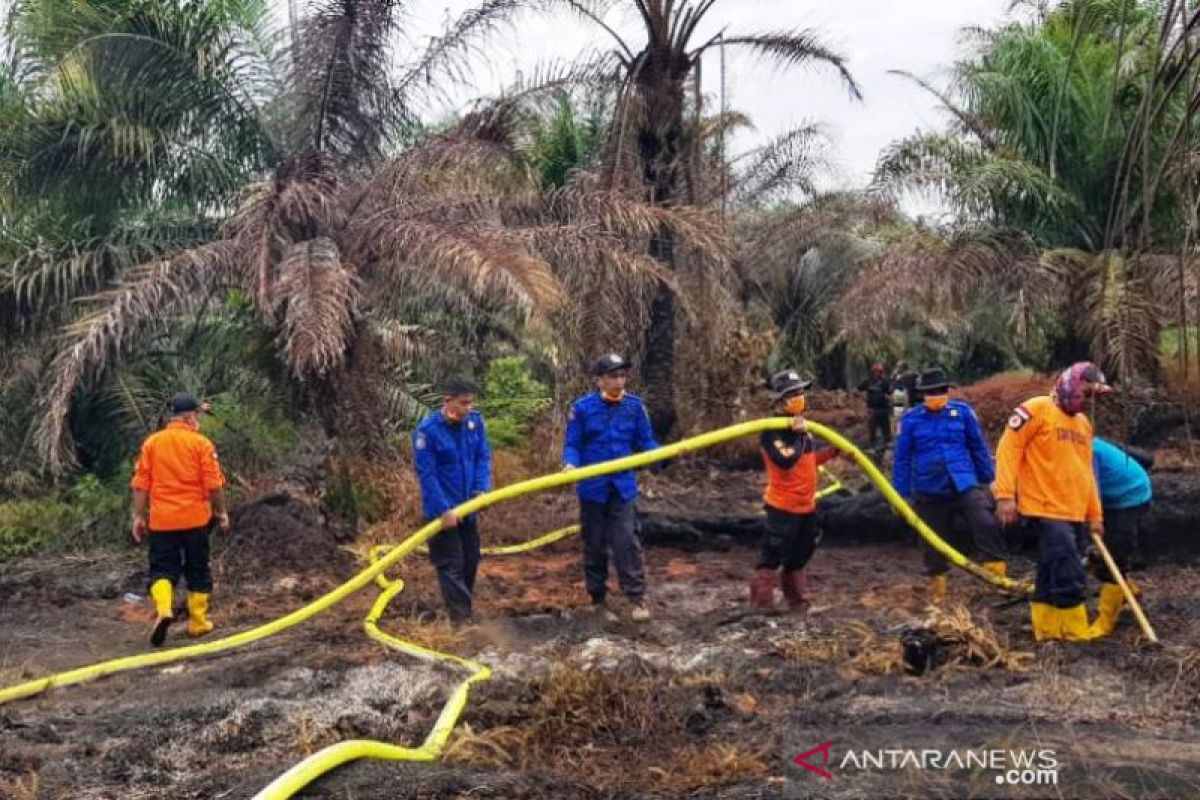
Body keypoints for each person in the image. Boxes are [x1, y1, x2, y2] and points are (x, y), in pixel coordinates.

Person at [994, 362, 1113, 641]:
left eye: (1093, 397)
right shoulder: (1035, 409)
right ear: (1070, 383)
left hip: (1073, 510)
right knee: (1069, 567)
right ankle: (1075, 631)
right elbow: (1007, 450)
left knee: (1049, 569)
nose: (1088, 401)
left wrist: (1095, 516)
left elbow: (1086, 474)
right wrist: (1004, 496)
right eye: (1087, 392)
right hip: (1043, 508)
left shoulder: (1083, 424)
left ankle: (1046, 632)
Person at [892, 368, 1006, 605]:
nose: (937, 395)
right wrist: (900, 496)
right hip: (928, 489)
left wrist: (990, 479)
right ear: (922, 395)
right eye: (931, 392)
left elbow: (978, 448)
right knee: (932, 543)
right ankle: (939, 594)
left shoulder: (962, 413)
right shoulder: (910, 421)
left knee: (986, 522)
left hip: (963, 483)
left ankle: (999, 583)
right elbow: (901, 460)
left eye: (941, 391)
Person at [562, 353, 660, 621]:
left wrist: (659, 454)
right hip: (593, 489)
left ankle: (636, 598)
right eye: (613, 376)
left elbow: (645, 441)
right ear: (599, 380)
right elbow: (573, 444)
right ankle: (598, 600)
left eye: (622, 375)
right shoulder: (581, 409)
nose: (619, 381)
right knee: (594, 545)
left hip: (623, 487)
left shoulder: (634, 407)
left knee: (626, 541)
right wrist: (570, 464)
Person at [131, 393, 230, 647]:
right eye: (197, 415)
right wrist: (221, 512)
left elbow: (141, 486)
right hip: (196, 519)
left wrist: (139, 517)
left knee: (162, 569)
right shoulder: (201, 444)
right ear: (188, 418)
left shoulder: (152, 444)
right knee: (198, 568)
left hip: (162, 521)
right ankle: (198, 622)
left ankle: (164, 608)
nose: (199, 419)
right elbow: (214, 485)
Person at [752, 370, 839, 611]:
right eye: (793, 394)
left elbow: (808, 460)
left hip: (806, 505)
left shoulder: (803, 431)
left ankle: (797, 602)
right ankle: (762, 604)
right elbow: (786, 460)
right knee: (773, 554)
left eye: (801, 392)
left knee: (800, 554)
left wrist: (832, 452)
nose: (799, 397)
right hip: (783, 506)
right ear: (779, 401)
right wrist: (800, 436)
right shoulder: (772, 432)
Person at [413, 376, 493, 623]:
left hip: (468, 509)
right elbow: (427, 475)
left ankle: (463, 612)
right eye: (463, 403)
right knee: (451, 565)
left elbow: (482, 457)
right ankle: (461, 622)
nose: (468, 408)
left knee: (470, 561)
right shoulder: (427, 433)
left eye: (471, 403)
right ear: (447, 401)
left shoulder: (475, 424)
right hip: (443, 514)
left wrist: (481, 489)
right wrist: (442, 510)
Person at [1087, 436, 1153, 637]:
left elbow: (1091, 487)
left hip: (1129, 496)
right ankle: (1127, 590)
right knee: (1099, 553)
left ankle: (1106, 621)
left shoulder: (1083, 449)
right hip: (1112, 494)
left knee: (1114, 557)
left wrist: (1093, 517)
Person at [857, 363, 893, 454]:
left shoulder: (885, 382)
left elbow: (890, 393)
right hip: (872, 409)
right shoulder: (868, 382)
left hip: (883, 408)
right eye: (876, 371)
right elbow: (858, 390)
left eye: (880, 372)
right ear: (872, 372)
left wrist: (888, 398)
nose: (878, 374)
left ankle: (887, 445)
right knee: (872, 427)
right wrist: (863, 398)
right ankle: (872, 445)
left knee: (885, 427)